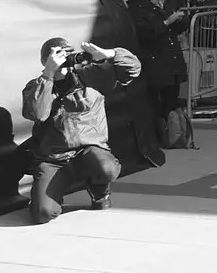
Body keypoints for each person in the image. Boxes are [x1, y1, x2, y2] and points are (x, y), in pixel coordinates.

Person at [22, 38, 142, 222]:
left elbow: (133, 69)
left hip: (89, 152)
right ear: (44, 61)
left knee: (106, 168)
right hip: (54, 159)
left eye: (66, 54)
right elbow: (37, 114)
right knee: (43, 213)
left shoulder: (90, 77)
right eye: (56, 55)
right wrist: (49, 74)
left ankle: (100, 192)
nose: (62, 59)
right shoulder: (37, 85)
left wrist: (109, 54)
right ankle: (46, 195)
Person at [129, 0, 190, 121]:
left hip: (172, 55)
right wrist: (166, 22)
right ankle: (157, 132)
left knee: (172, 97)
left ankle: (170, 132)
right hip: (154, 58)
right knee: (155, 101)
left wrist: (181, 21)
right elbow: (143, 33)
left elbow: (179, 26)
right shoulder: (137, 5)